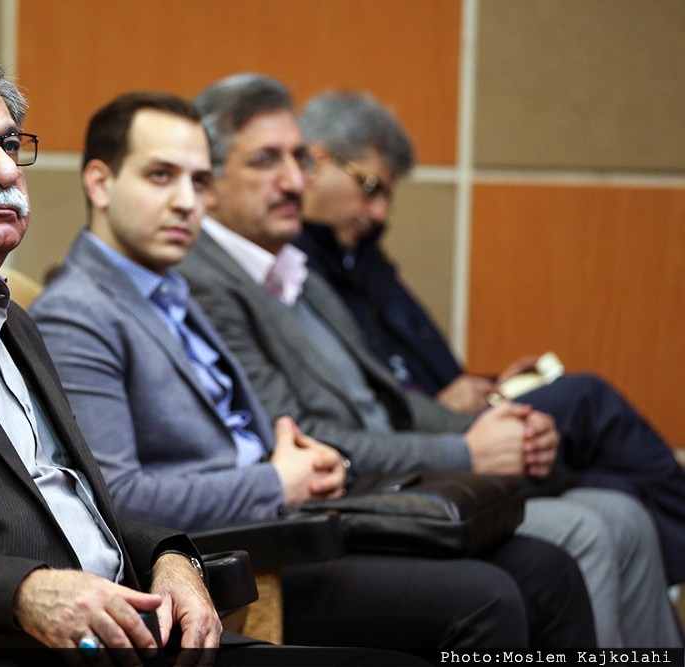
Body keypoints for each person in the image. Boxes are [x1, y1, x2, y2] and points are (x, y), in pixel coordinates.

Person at [0, 46, 422, 666]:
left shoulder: (14, 323)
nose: (3, 171)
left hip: (137, 631)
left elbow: (77, 502)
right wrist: (27, 593)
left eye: (8, 145)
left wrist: (169, 557)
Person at [30, 90, 597, 652]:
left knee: (546, 570)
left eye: (199, 181)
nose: (186, 202)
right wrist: (277, 480)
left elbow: (249, 431)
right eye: (161, 176)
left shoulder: (170, 290)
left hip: (291, 522)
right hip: (229, 562)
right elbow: (117, 499)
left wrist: (305, 458)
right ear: (100, 184)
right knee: (488, 598)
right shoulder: (77, 312)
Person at [175, 72, 682, 649]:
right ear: (208, 181)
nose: (295, 180)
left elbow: (392, 399)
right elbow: (298, 434)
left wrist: (492, 426)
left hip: (399, 474)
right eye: (267, 161)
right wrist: (467, 450)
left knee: (620, 512)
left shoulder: (293, 267)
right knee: (587, 525)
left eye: (300, 159)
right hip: (351, 496)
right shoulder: (204, 281)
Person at [294, 90, 685, 585]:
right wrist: (442, 405)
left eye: (386, 195)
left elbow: (404, 361)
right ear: (318, 161)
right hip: (419, 443)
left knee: (619, 494)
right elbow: (358, 398)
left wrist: (488, 385)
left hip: (454, 416)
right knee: (588, 400)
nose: (379, 213)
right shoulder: (294, 269)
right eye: (371, 187)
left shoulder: (360, 257)